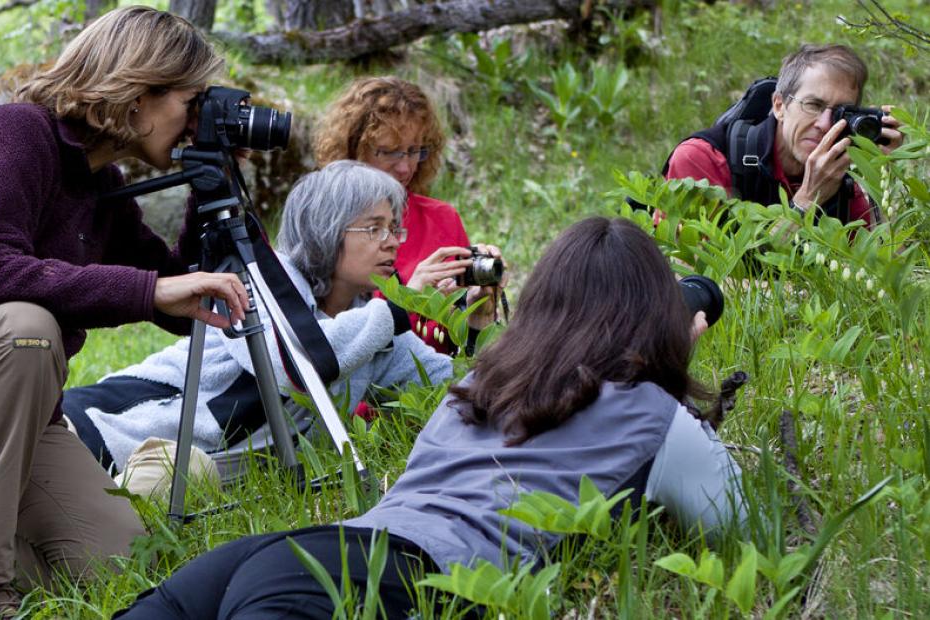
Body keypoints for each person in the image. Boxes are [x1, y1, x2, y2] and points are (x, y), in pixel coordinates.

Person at [114, 216, 747, 619]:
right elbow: (737, 523)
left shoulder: (486, 380)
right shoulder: (655, 414)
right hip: (389, 579)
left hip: (304, 550)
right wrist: (674, 365)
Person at [0, 6, 252, 615]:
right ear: (138, 93)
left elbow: (181, 300)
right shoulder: (19, 132)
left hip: (30, 413)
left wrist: (212, 193)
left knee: (113, 560)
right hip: (6, 370)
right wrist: (144, 291)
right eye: (190, 104)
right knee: (28, 328)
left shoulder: (102, 187)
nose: (191, 123)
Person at [62, 161, 499, 485]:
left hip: (177, 474)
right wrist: (402, 308)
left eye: (395, 228)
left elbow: (456, 397)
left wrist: (477, 326)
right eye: (374, 228)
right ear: (327, 229)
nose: (391, 243)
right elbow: (298, 365)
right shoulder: (258, 280)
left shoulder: (374, 332)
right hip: (96, 433)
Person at [314, 76, 503, 353]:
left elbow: (462, 356)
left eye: (415, 151)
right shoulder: (327, 221)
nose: (405, 168)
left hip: (432, 387)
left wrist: (479, 314)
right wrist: (409, 299)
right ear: (354, 150)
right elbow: (322, 343)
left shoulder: (443, 219)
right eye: (389, 152)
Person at [664, 44, 904, 227]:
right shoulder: (701, 159)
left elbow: (886, 271)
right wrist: (808, 199)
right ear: (779, 105)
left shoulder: (836, 172)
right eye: (813, 105)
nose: (823, 124)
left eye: (840, 112)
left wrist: (883, 176)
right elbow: (695, 281)